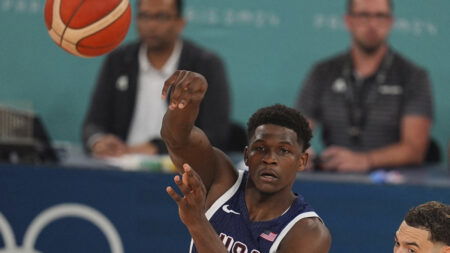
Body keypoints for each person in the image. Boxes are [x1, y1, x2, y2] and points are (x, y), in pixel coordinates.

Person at [162, 71, 331, 253]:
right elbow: (178, 140)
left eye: (283, 151)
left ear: (302, 161)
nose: (269, 159)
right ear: (246, 156)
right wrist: (187, 102)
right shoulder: (222, 180)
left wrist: (198, 223)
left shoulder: (308, 234)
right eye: (260, 148)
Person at [295, 0, 433, 172]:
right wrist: (298, 150)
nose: (372, 24)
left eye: (380, 16)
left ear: (391, 22)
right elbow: (297, 132)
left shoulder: (413, 76)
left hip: (394, 182)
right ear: (348, 21)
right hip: (334, 176)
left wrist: (366, 160)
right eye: (363, 15)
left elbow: (415, 149)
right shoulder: (323, 72)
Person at [82, 0, 230, 157]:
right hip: (120, 164)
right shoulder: (118, 61)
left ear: (180, 23)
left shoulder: (204, 65)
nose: (151, 25)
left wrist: (159, 148)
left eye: (161, 17)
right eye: (144, 16)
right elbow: (93, 123)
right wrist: (98, 141)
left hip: (180, 169)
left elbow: (215, 134)